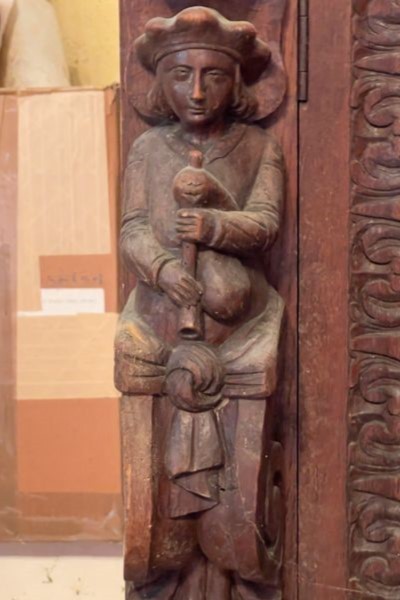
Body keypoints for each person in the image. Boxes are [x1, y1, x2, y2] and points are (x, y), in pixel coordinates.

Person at [115, 7, 285, 599]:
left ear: (235, 83)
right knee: (157, 513)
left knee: (239, 506)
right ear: (160, 83)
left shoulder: (257, 146)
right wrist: (164, 269)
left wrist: (212, 224)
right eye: (181, 74)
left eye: (213, 75)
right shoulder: (148, 148)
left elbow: (265, 224)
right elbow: (133, 228)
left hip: (238, 333)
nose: (196, 91)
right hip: (166, 326)